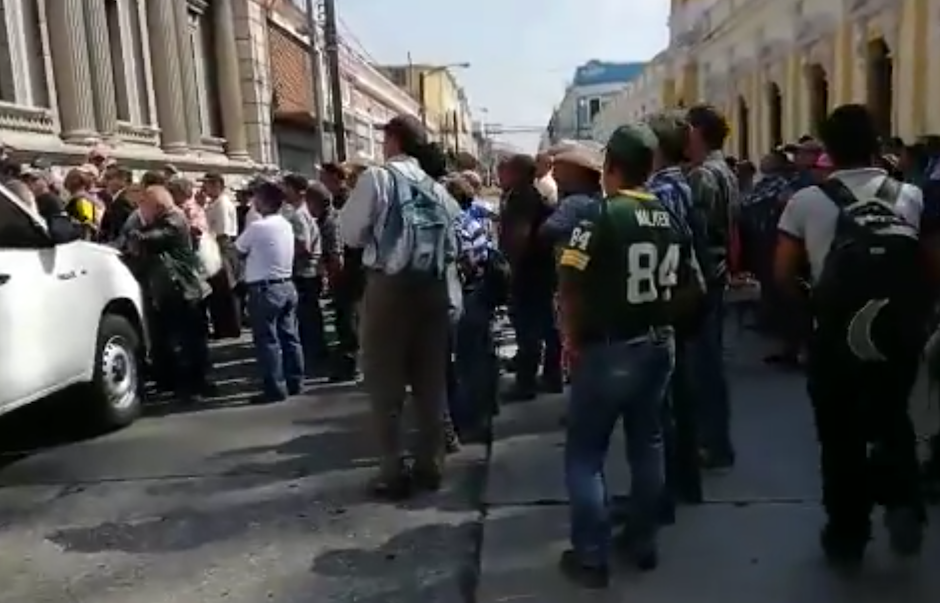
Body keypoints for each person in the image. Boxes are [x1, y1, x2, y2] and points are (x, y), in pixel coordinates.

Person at [775, 104, 932, 565]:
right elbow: (931, 264)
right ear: (877, 143)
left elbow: (783, 273)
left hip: (835, 336)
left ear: (828, 148)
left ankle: (847, 533)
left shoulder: (806, 201)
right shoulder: (910, 196)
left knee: (839, 435)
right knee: (894, 419)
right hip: (897, 335)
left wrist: (809, 309)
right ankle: (903, 500)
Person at [556, 123, 702, 589]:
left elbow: (570, 282)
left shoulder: (599, 216)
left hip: (608, 347)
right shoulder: (670, 216)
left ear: (610, 169)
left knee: (585, 454)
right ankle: (643, 541)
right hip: (658, 345)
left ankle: (591, 556)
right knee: (648, 443)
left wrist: (572, 338)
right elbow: (694, 286)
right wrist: (659, 315)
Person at [338, 114, 461, 500]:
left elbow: (351, 232)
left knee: (385, 381)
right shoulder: (437, 188)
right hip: (434, 288)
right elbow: (454, 242)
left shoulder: (378, 178)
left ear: (393, 140)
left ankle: (393, 469)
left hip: (390, 287)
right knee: (429, 381)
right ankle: (432, 464)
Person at [685, 104, 739, 470]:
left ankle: (713, 443)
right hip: (716, 274)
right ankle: (714, 440)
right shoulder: (724, 170)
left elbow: (697, 233)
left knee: (703, 366)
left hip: (704, 277)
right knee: (708, 362)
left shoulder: (704, 175)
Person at [128, 185, 212, 402]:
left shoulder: (173, 218)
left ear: (156, 205)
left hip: (183, 288)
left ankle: (193, 385)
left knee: (187, 340)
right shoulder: (162, 219)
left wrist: (137, 235)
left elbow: (159, 236)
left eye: (143, 205)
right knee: (179, 339)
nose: (141, 210)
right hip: (173, 288)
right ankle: (185, 382)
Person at [235, 179, 305, 405]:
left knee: (268, 340)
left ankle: (274, 387)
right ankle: (295, 381)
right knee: (290, 336)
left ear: (263, 202)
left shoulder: (258, 227)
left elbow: (238, 249)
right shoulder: (285, 224)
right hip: (286, 283)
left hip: (265, 288)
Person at [500, 153, 563, 399]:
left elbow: (521, 236)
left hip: (529, 272)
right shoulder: (531, 195)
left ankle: (526, 383)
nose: (500, 176)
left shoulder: (522, 198)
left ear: (516, 173)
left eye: (504, 171)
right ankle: (551, 375)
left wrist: (510, 266)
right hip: (541, 270)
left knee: (528, 329)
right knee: (546, 326)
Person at [281, 173, 327, 374]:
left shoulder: (299, 214)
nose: (284, 191)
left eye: (287, 187)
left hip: (304, 272)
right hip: (308, 271)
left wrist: (285, 250)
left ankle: (313, 357)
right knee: (310, 317)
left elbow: (304, 245)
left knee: (307, 318)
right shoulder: (300, 212)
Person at [203, 172, 242, 339]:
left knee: (225, 288)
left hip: (221, 246)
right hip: (216, 245)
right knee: (219, 290)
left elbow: (223, 232)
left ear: (217, 185)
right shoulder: (214, 203)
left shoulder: (222, 204)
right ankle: (224, 326)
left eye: (208, 184)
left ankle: (230, 327)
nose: (205, 188)